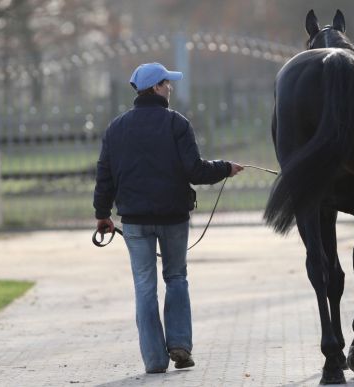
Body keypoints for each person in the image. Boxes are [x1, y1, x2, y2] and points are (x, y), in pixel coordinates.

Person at [93, 62, 244, 374]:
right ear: (156, 87)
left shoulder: (116, 128)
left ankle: (154, 361)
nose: (171, 88)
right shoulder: (177, 124)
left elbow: (104, 176)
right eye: (167, 83)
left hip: (134, 220)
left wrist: (101, 215)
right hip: (174, 216)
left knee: (144, 286)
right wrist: (225, 168)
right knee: (175, 277)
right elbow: (195, 170)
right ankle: (179, 345)